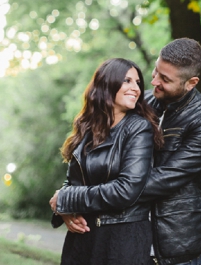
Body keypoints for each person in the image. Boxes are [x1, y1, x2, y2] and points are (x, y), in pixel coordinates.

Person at [61, 39, 201, 265]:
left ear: (191, 82)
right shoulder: (141, 101)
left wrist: (76, 198)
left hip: (173, 242)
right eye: (156, 71)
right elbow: (97, 158)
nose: (154, 81)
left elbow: (157, 181)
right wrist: (68, 199)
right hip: (125, 236)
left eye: (165, 79)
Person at [49, 57, 164, 265]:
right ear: (106, 83)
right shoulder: (87, 127)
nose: (136, 88)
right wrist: (65, 211)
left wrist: (66, 198)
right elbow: (73, 181)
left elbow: (126, 189)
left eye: (138, 83)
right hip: (82, 238)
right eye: (127, 81)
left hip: (121, 240)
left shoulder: (139, 129)